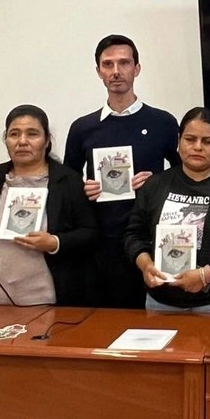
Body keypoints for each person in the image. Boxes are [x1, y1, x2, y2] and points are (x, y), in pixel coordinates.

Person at [64, 35, 180, 308]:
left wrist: (157, 182)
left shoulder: (163, 122)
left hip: (150, 240)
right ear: (98, 72)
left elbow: (185, 175)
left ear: (136, 69)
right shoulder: (82, 128)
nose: (116, 71)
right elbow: (66, 183)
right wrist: (83, 188)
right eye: (108, 64)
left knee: (152, 318)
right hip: (100, 242)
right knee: (106, 319)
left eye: (124, 63)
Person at [126, 108, 210, 313]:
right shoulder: (155, 184)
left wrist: (204, 276)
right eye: (190, 139)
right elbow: (134, 235)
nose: (197, 147)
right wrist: (146, 265)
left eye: (207, 141)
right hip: (161, 301)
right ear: (179, 141)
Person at [0, 105, 98, 306]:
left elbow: (90, 232)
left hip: (50, 303)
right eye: (14, 134)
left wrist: (55, 242)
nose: (22, 141)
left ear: (47, 141)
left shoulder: (68, 182)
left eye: (32, 134)